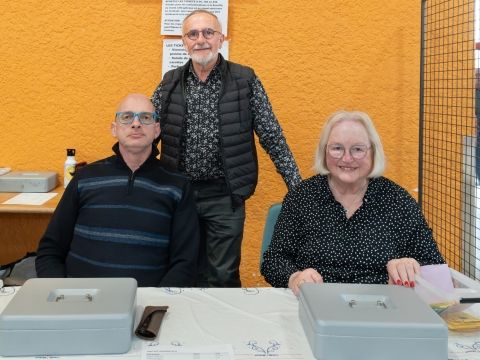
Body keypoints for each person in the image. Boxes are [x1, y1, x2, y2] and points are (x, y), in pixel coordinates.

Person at [151, 9, 301, 287]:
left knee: (222, 275)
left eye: (208, 32)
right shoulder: (170, 82)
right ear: (183, 41)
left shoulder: (245, 80)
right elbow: (147, 133)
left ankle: (224, 328)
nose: (201, 39)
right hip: (180, 196)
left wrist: (297, 188)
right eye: (192, 34)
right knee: (183, 272)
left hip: (225, 196)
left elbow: (272, 136)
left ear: (222, 38)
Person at [261, 110, 445, 296]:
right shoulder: (302, 196)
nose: (347, 159)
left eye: (358, 149)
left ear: (373, 152)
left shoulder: (398, 201)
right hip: (315, 303)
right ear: (324, 151)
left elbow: (434, 264)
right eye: (337, 148)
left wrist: (410, 266)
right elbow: (274, 260)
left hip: (381, 307)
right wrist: (295, 277)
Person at [35, 94, 200, 287]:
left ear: (156, 130)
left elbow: (186, 263)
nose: (136, 123)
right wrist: (60, 294)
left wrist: (155, 303)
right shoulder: (84, 178)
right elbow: (50, 250)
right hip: (80, 302)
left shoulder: (177, 185)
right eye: (127, 117)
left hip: (144, 306)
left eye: (145, 118)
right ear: (114, 129)